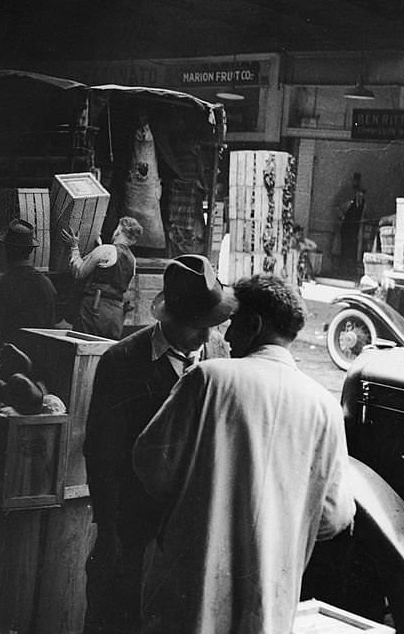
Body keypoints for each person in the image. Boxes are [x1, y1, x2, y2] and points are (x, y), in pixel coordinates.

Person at [132, 273, 355, 634]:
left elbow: (151, 468)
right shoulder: (323, 406)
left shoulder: (208, 379)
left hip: (192, 589)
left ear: (253, 324)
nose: (227, 335)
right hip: (270, 601)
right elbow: (334, 517)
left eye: (234, 323)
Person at [82, 253, 234, 634]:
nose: (205, 335)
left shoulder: (219, 354)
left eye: (211, 325)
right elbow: (102, 452)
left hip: (193, 526)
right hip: (133, 525)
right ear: (169, 319)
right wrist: (110, 529)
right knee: (117, 614)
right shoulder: (122, 362)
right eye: (197, 326)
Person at [63, 216, 142, 339]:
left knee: (83, 346)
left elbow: (79, 272)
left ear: (118, 232)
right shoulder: (133, 261)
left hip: (94, 307)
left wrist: (74, 247)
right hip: (116, 313)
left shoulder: (106, 250)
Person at [0, 219, 57, 348]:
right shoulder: (46, 284)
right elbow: (51, 329)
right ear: (30, 251)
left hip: (9, 359)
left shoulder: (0, 286)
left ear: (6, 250)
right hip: (37, 358)